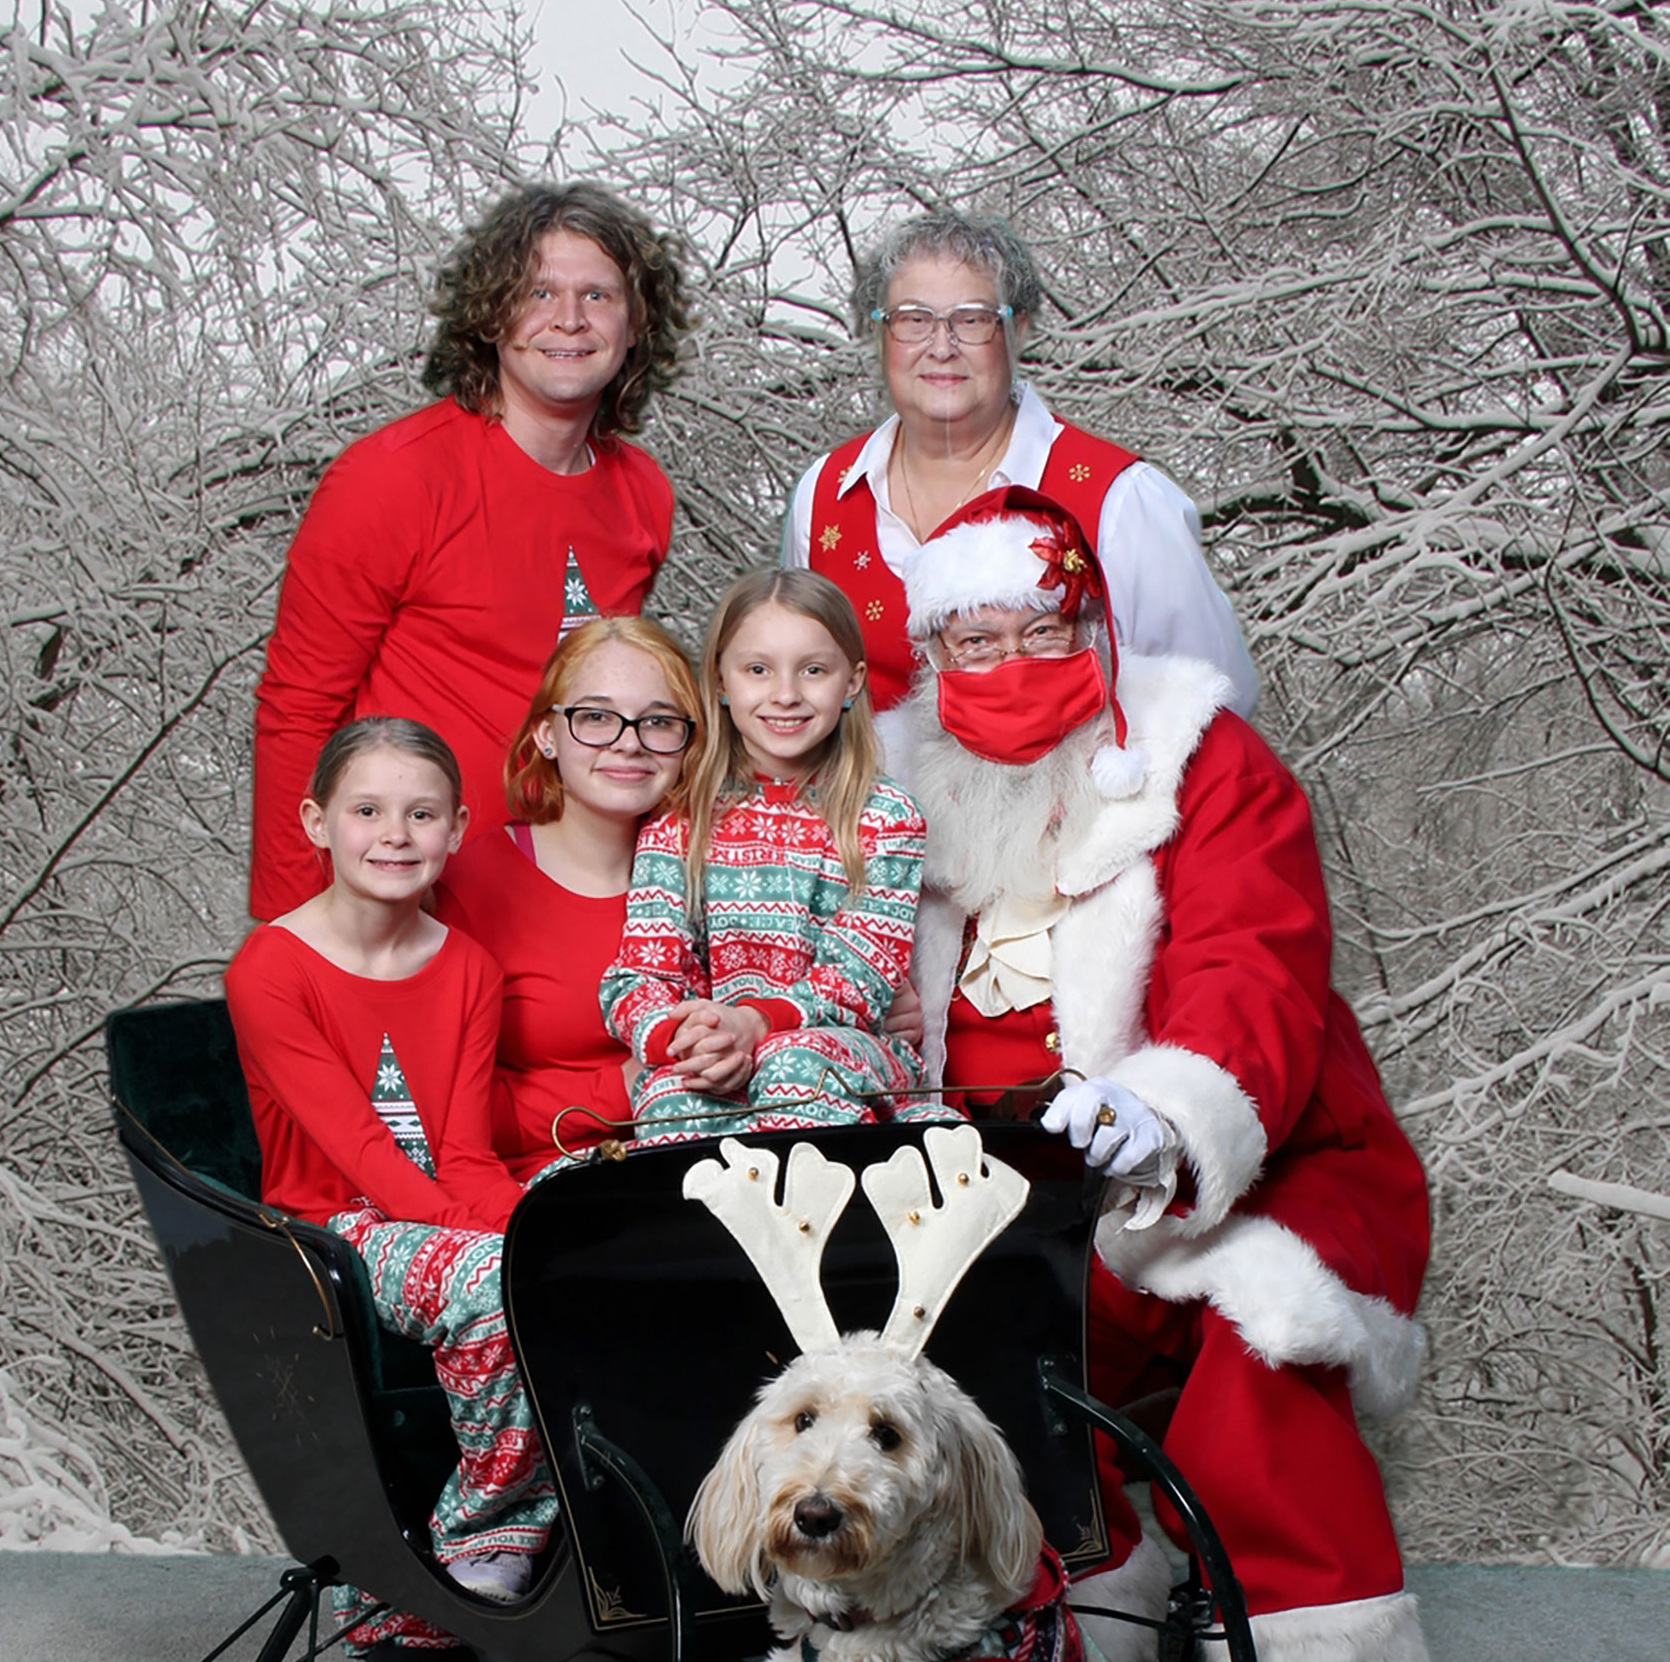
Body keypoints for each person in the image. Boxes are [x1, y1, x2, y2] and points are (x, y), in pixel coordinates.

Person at [891, 486, 1437, 1662]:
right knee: (986, 1368)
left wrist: (1163, 1112)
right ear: (929, 648)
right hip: (996, 1190)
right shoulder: (883, 777)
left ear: (1094, 622)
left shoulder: (1206, 758)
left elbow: (1258, 971)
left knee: (1262, 1339)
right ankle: (1080, 1650)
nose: (1006, 666)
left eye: (1039, 631)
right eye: (972, 640)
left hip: (1251, 1154)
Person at [251, 183, 691, 924]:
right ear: (490, 314)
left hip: (569, 908)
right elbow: (298, 712)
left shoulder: (644, 494)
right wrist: (297, 936)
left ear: (636, 323)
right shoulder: (390, 478)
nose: (570, 320)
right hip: (407, 906)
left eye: (599, 295)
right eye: (539, 291)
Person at [226, 717, 555, 1628]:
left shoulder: (468, 969)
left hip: (431, 1212)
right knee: (496, 1281)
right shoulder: (270, 968)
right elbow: (358, 1154)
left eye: (421, 814)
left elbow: (462, 1154)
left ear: (455, 831)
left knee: (566, 1249)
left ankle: (583, 1542)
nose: (395, 834)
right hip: (327, 1225)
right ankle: (477, 1541)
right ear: (317, 822)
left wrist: (537, 1230)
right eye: (367, 810)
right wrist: (498, 1246)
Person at [783, 210, 1256, 717]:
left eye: (972, 320)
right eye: (913, 320)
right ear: (880, 336)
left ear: (1018, 330)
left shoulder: (1121, 500)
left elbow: (1213, 705)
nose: (942, 347)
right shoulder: (825, 493)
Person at [601, 569, 927, 1137]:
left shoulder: (885, 817)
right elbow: (639, 975)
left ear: (851, 683)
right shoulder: (681, 816)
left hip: (847, 1055)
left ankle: (830, 1218)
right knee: (667, 1091)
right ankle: (708, 1226)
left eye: (814, 671)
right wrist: (692, 1039)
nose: (785, 694)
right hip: (714, 1051)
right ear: (722, 682)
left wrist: (757, 1024)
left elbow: (860, 978)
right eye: (758, 670)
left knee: (789, 1065)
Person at [455, 616, 702, 1179]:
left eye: (658, 722)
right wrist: (623, 1086)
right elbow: (445, 1114)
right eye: (595, 717)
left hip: (715, 1166)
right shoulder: (470, 884)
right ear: (546, 734)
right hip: (554, 1184)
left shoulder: (727, 868)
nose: (629, 743)